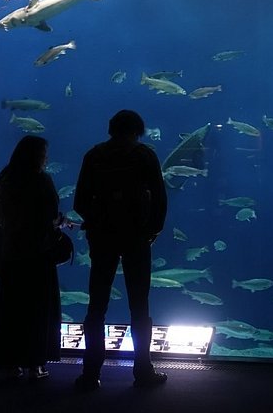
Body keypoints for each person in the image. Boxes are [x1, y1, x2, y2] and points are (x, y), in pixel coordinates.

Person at [72, 109, 168, 391]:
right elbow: (160, 197)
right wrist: (152, 229)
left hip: (101, 238)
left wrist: (98, 221)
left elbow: (79, 200)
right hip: (137, 238)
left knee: (96, 305)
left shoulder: (94, 155)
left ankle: (90, 372)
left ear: (111, 128)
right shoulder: (144, 155)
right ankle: (143, 370)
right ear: (138, 129)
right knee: (140, 305)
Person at [0, 135, 62, 380]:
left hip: (10, 253)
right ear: (37, 156)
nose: (46, 158)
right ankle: (35, 363)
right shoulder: (41, 180)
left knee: (11, 309)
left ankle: (8, 361)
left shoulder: (4, 180)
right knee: (37, 310)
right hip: (37, 255)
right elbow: (49, 216)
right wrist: (61, 223)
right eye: (44, 154)